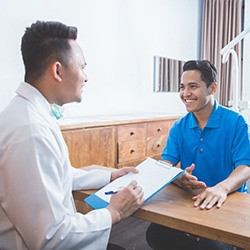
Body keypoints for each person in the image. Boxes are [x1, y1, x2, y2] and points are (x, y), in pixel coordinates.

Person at [0, 20, 144, 250]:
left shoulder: (30, 114)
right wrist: (113, 212)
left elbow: (58, 175)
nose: (86, 77)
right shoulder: (30, 131)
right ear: (57, 70)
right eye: (82, 67)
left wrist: (110, 177)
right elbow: (51, 237)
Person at [146, 60, 250, 250]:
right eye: (182, 87)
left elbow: (245, 167)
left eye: (193, 86)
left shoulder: (236, 122)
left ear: (212, 88)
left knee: (214, 245)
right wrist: (177, 177)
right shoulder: (179, 126)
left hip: (227, 202)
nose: (185, 94)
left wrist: (221, 188)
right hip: (191, 200)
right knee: (155, 234)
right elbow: (166, 163)